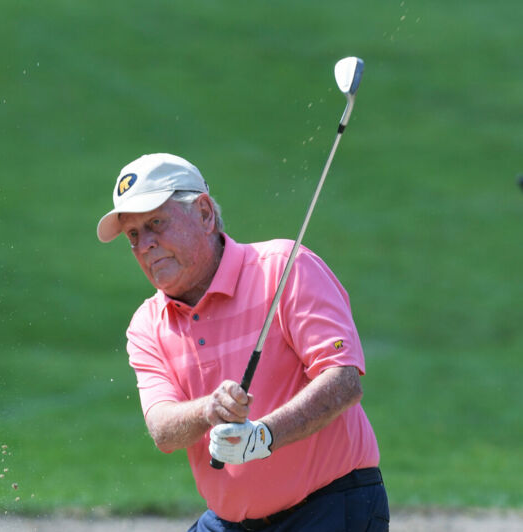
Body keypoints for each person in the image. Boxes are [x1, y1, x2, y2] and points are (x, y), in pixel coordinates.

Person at [96, 153, 389, 531]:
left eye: (156, 224)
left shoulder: (285, 267)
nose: (145, 244)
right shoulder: (147, 324)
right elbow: (163, 430)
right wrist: (209, 409)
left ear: (204, 213)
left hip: (330, 507)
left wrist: (264, 436)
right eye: (134, 235)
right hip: (231, 522)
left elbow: (343, 382)